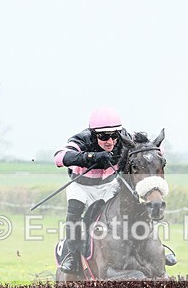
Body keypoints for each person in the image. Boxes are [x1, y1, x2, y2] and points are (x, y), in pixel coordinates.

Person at [53, 107, 131, 273]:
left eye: (114, 135)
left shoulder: (124, 138)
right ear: (94, 134)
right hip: (81, 187)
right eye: (103, 136)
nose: (110, 141)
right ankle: (72, 256)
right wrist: (91, 157)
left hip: (108, 186)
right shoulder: (82, 139)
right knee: (74, 214)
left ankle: (150, 250)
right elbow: (59, 158)